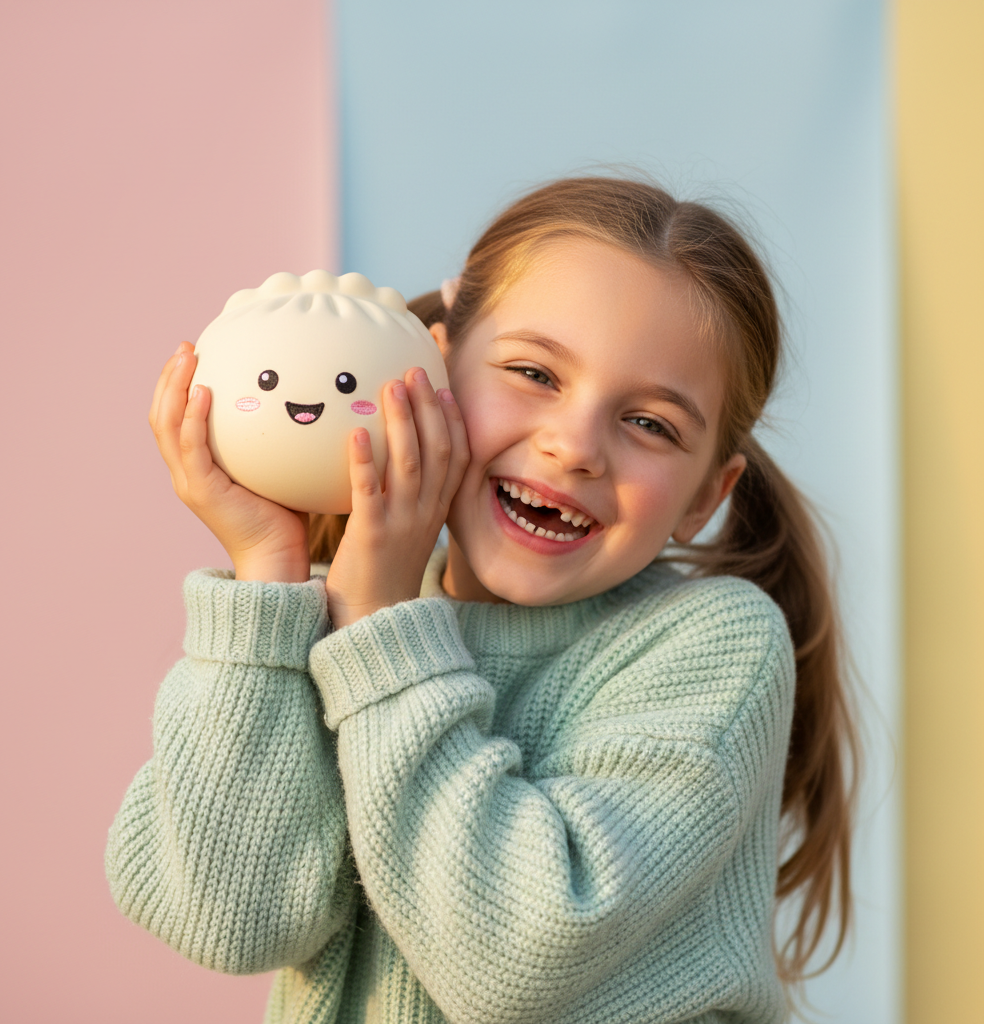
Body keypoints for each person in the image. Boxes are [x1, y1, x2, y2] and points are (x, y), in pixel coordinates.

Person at [107, 177, 859, 1024]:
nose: (573, 446)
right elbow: (232, 922)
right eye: (534, 372)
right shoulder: (319, 626)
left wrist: (384, 625)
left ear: (704, 496)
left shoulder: (710, 646)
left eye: (650, 423)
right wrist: (266, 575)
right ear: (433, 363)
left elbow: (512, 960)